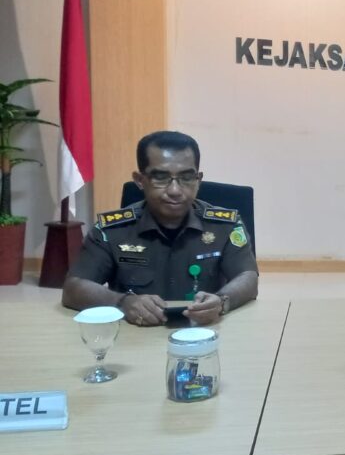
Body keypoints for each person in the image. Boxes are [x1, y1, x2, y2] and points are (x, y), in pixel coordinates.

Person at [63, 131, 259, 326]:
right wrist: (122, 302)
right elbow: (73, 288)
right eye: (160, 177)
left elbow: (248, 277)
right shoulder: (111, 230)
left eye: (186, 177)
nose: (175, 190)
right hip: (134, 335)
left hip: (204, 331)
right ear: (140, 180)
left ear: (198, 180)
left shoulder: (225, 225)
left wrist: (222, 301)